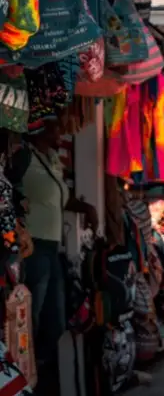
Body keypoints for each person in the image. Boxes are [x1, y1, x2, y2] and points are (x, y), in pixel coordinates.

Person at [8, 118, 98, 384]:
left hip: (51, 247)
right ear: (42, 130)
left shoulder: (51, 159)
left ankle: (39, 372)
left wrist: (88, 209)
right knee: (31, 318)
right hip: (31, 247)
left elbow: (62, 197)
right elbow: (7, 188)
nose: (62, 132)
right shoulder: (24, 157)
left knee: (56, 320)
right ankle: (25, 379)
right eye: (57, 128)